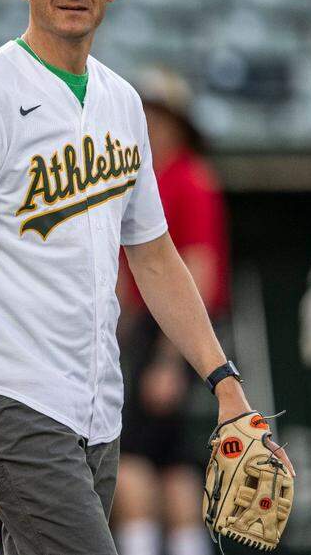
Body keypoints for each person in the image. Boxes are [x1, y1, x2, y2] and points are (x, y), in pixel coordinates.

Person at [0, 0, 293, 554]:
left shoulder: (122, 102)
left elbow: (154, 254)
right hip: (6, 392)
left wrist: (225, 382)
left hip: (97, 402)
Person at [113, 68, 230, 555]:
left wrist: (169, 359)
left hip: (179, 337)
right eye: (145, 116)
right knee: (162, 469)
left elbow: (197, 272)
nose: (152, 126)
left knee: (148, 466)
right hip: (151, 334)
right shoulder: (140, 178)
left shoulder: (189, 179)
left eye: (161, 117)